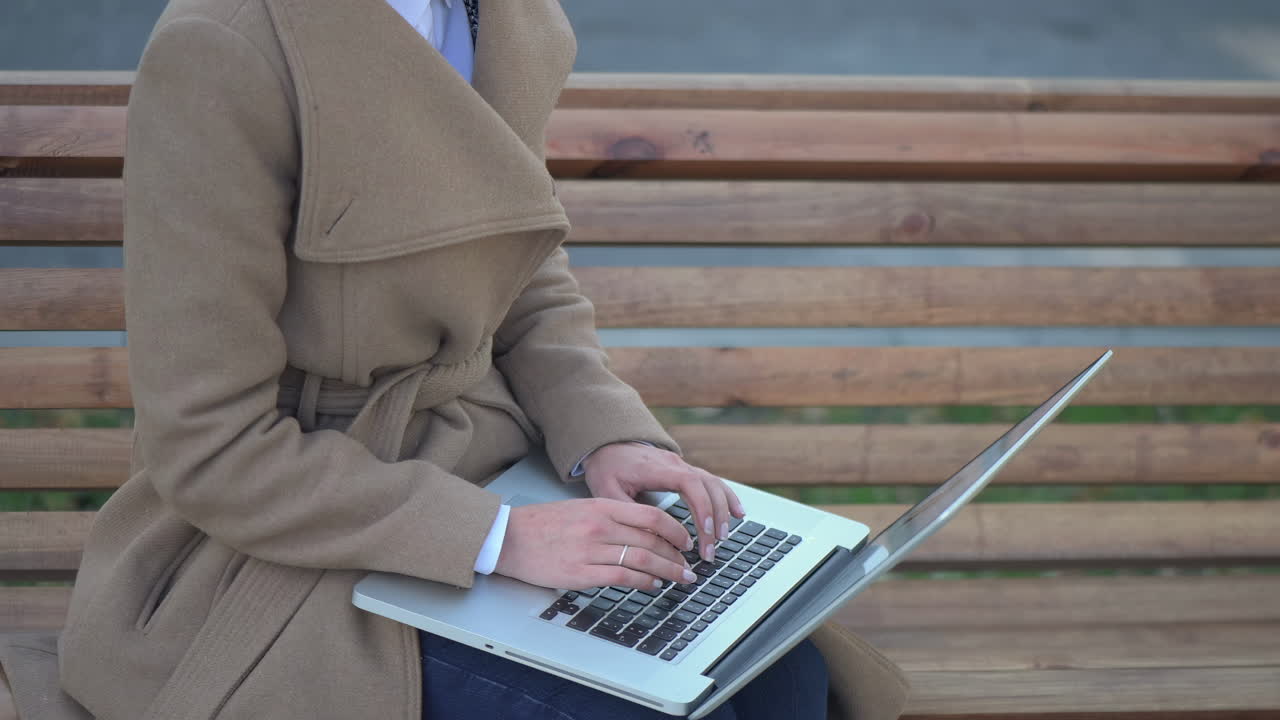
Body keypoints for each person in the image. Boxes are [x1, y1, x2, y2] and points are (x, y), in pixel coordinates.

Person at [0, 0, 910, 718]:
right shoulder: (225, 48)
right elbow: (211, 447)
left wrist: (607, 440)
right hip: (278, 552)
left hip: (491, 475)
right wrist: (501, 538)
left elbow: (521, 273)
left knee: (781, 678)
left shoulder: (497, 16)